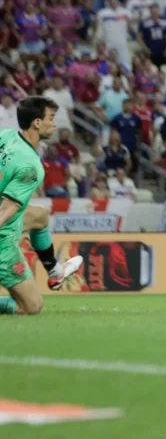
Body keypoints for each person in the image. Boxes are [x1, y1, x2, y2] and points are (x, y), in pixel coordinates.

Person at [0, 97, 84, 316]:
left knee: (40, 216)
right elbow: (5, 212)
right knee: (32, 306)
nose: (55, 124)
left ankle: (55, 272)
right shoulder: (31, 166)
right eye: (51, 118)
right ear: (37, 123)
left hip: (11, 216)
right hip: (2, 239)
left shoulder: (5, 136)